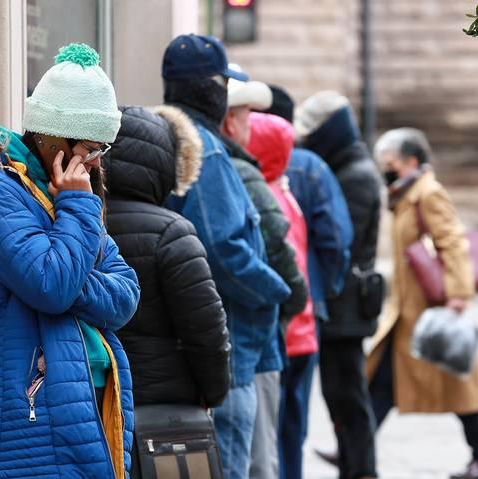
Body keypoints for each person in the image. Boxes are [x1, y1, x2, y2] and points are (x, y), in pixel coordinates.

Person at [0, 43, 140, 478]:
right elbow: (52, 286)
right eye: (91, 147)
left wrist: (69, 266)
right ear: (52, 138)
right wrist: (77, 211)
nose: (95, 162)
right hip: (31, 415)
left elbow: (125, 294)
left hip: (88, 409)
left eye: (101, 149)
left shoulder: (64, 195)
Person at [155, 34, 291, 479]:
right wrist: (276, 290)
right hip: (227, 346)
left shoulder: (175, 139)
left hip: (204, 344)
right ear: (211, 90)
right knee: (230, 465)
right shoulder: (207, 152)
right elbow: (223, 248)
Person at [366, 128, 478, 479]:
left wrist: (458, 295)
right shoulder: (405, 195)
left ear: (411, 161)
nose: (386, 170)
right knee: (381, 382)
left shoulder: (428, 193)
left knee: (458, 388)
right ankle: (355, 452)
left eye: (391, 163)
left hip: (430, 312)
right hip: (407, 311)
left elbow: (452, 242)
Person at [104, 106, 230, 409]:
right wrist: (214, 393)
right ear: (165, 163)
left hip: (93, 401)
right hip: (162, 406)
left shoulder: (74, 221)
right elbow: (206, 331)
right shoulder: (172, 233)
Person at [261, 85, 354, 479]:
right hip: (305, 315)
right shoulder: (311, 167)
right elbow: (337, 239)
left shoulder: (247, 171)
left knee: (265, 422)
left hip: (265, 316)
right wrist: (322, 291)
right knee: (293, 421)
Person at [220, 68, 308, 479]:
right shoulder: (249, 177)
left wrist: (286, 296)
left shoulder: (249, 178)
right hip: (256, 338)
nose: (248, 126)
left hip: (261, 333)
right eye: (245, 117)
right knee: (262, 451)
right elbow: (281, 250)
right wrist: (288, 295)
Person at [295, 91, 381, 479]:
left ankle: (361, 469)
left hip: (345, 305)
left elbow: (342, 243)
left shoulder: (354, 175)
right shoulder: (347, 167)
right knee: (341, 393)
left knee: (347, 394)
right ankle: (353, 465)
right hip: (342, 302)